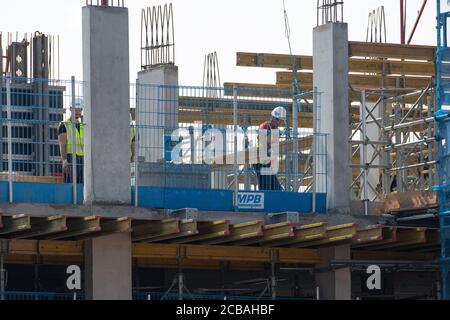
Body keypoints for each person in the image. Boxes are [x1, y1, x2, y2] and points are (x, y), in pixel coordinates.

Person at [253, 106, 287, 191]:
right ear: (273, 118)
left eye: (281, 121)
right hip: (259, 160)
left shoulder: (276, 130)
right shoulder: (265, 126)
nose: (279, 123)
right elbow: (261, 139)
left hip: (268, 160)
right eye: (278, 120)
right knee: (265, 185)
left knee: (274, 186)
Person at [58, 98, 84, 184]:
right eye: (75, 109)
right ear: (70, 109)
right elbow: (62, 144)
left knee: (83, 185)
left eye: (79, 109)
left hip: (83, 159)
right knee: (70, 184)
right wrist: (64, 161)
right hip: (70, 158)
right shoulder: (64, 124)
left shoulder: (83, 125)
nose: (77, 112)